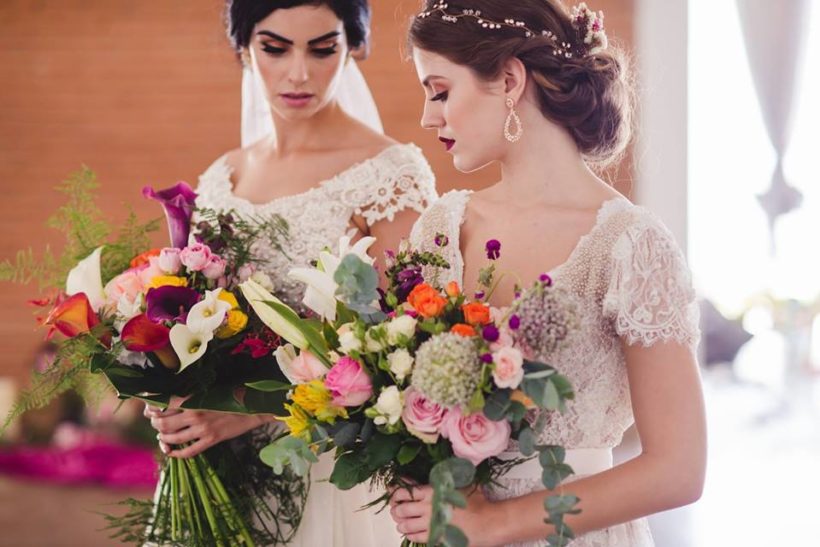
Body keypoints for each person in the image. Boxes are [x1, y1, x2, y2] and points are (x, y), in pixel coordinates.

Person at [391, 1, 706, 545]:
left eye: (440, 90)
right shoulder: (439, 228)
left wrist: (498, 522)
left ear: (509, 80)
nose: (428, 117)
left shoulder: (630, 244)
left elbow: (679, 468)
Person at [145, 1, 436, 544]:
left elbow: (405, 351)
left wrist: (248, 411)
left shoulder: (389, 175)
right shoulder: (223, 174)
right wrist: (167, 386)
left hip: (331, 471)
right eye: (274, 48)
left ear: (355, 46)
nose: (298, 73)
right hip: (222, 465)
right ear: (243, 49)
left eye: (323, 48)